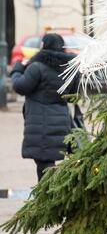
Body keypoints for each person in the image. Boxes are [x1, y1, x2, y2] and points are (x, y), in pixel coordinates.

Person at [9, 33, 79, 181]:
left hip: (41, 122)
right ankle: (50, 193)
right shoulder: (68, 69)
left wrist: (17, 69)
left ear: (44, 46)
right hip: (61, 121)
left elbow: (20, 86)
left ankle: (50, 196)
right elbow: (73, 95)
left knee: (44, 163)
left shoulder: (37, 67)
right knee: (47, 161)